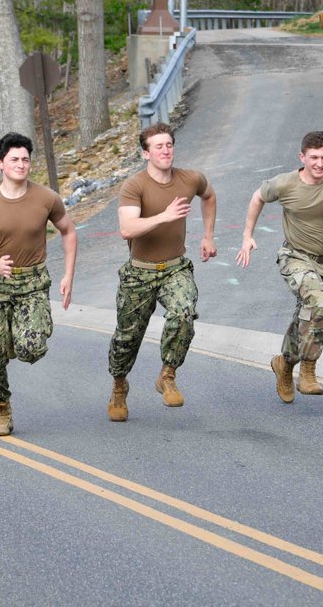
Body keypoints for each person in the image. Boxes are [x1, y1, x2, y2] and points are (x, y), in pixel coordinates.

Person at [235, 130, 323, 403]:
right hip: (294, 257)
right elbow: (257, 196)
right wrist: (247, 236)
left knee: (308, 318)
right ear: (302, 157)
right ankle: (308, 371)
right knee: (317, 303)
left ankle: (284, 363)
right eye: (314, 158)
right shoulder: (285, 184)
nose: (320, 164)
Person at [106, 122, 217, 422]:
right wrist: (164, 216)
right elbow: (127, 228)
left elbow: (209, 195)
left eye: (169, 144)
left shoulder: (190, 178)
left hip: (174, 268)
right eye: (159, 146)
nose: (166, 150)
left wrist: (208, 235)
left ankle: (167, 374)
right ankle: (119, 385)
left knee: (184, 312)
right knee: (127, 338)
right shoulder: (135, 186)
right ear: (146, 153)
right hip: (139, 273)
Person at [0, 133, 78, 437]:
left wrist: (68, 275)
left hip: (32, 284)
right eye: (15, 159)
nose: (21, 165)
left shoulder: (46, 198)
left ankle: (16, 341)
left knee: (31, 349)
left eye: (26, 159)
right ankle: (2, 410)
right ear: (0, 163)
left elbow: (69, 232)